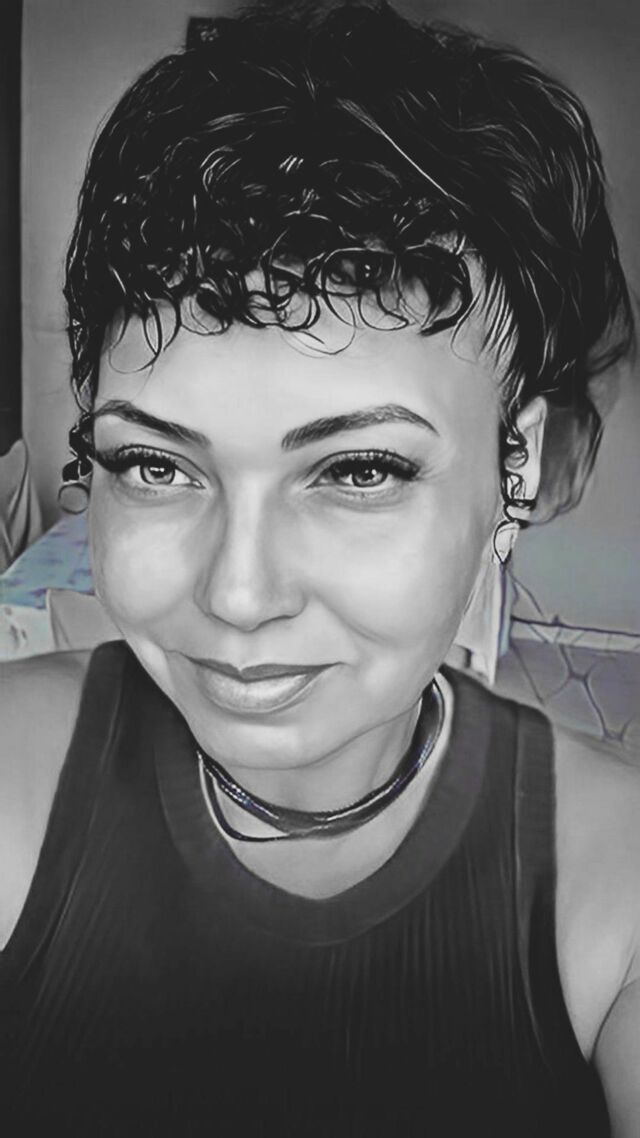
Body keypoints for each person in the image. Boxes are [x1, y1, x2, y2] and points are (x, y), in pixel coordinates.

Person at [0, 2, 638, 1133]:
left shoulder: (614, 887)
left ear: (517, 467)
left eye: (358, 471)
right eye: (155, 464)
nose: (238, 596)